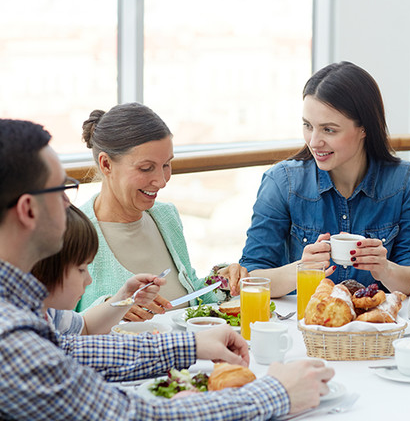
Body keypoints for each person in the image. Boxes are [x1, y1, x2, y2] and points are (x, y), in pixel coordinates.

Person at [0, 118, 334, 420]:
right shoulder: (11, 339)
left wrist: (190, 346)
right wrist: (279, 393)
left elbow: (74, 349)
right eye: (61, 190)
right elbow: (135, 415)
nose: (68, 204)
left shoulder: (22, 313)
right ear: (28, 210)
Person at [238, 61, 410, 297]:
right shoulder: (282, 182)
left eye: (329, 130)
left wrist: (385, 269)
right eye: (308, 126)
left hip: (376, 328)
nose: (314, 141)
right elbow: (251, 277)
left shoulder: (404, 182)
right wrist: (301, 269)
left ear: (364, 128)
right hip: (304, 326)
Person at [76, 102, 247, 320]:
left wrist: (221, 283)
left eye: (166, 165)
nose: (162, 181)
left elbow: (188, 295)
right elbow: (56, 324)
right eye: (146, 168)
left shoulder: (165, 216)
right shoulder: (72, 234)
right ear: (106, 165)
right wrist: (110, 309)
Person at [32, 204, 168, 335]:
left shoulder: (50, 313)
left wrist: (125, 296)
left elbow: (86, 328)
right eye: (81, 269)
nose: (89, 280)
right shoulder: (26, 329)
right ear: (44, 269)